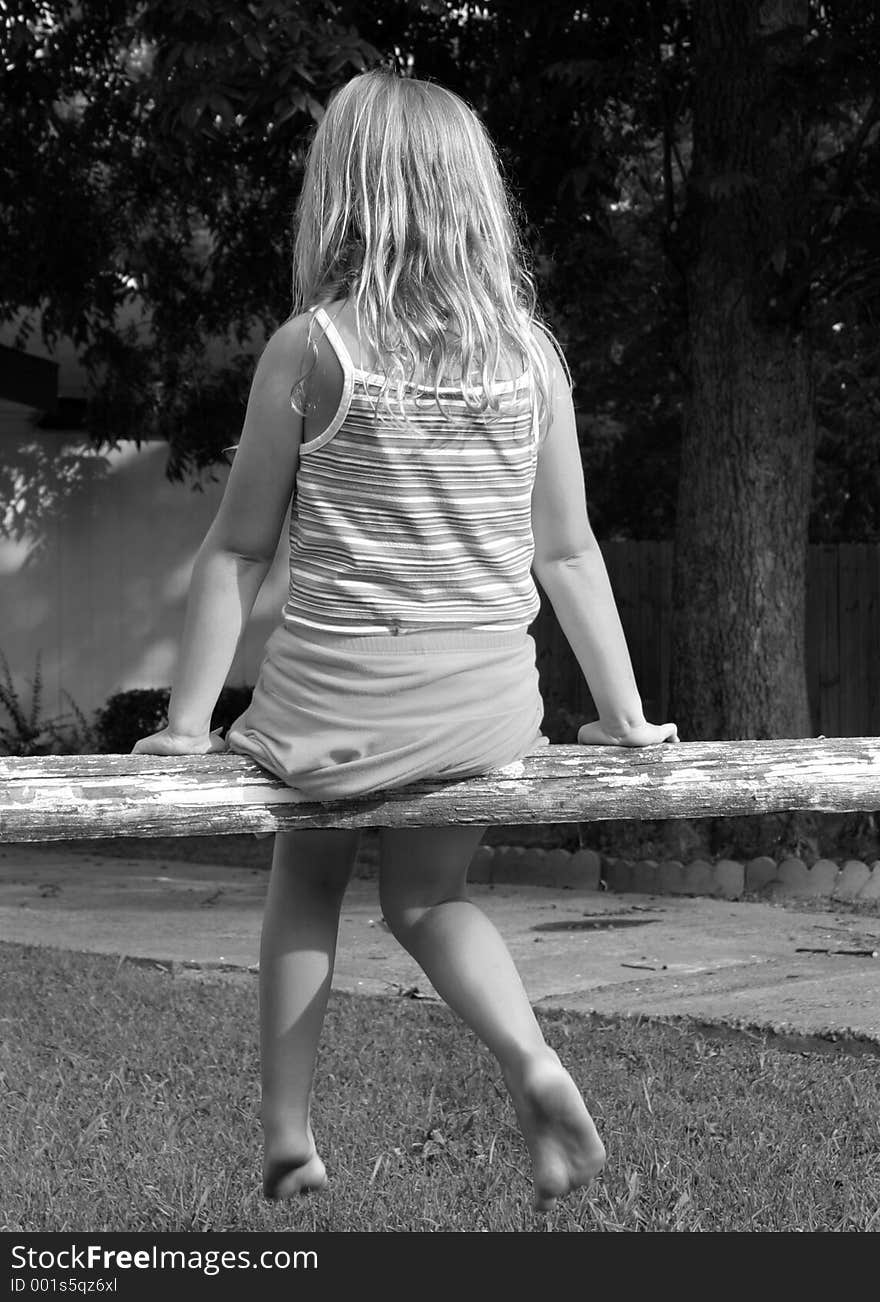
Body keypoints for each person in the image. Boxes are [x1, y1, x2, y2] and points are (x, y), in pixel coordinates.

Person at [133, 68, 678, 1214]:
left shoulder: (311, 348)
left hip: (334, 708)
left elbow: (236, 554)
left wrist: (187, 727)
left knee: (307, 878)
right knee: (427, 901)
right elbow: (567, 553)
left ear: (343, 196)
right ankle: (531, 1059)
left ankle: (288, 1134)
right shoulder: (530, 357)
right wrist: (623, 717)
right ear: (474, 199)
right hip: (481, 711)